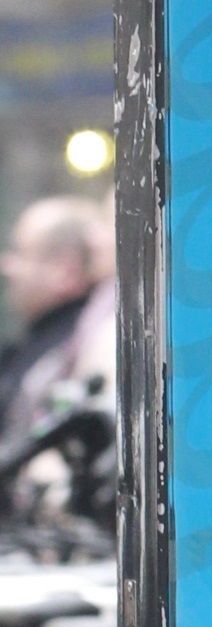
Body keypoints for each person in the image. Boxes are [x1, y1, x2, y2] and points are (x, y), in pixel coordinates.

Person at [0, 197, 115, 462]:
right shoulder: (55, 342)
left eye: (21, 252)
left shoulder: (73, 346)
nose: (8, 266)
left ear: (65, 270)